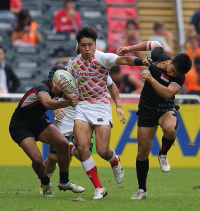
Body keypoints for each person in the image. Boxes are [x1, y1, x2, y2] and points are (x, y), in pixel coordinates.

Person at [67, 26, 152, 200]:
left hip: (101, 106)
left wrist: (142, 62)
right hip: (82, 107)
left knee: (103, 150)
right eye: (83, 45)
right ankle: (99, 187)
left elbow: (124, 61)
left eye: (90, 44)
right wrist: (67, 97)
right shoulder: (72, 63)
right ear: (79, 45)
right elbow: (68, 85)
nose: (87, 48)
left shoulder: (103, 58)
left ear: (95, 44)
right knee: (82, 150)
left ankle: (114, 160)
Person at [117, 40, 192, 199]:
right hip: (146, 109)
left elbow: (167, 94)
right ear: (170, 61)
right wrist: (129, 48)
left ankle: (163, 154)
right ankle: (142, 190)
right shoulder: (159, 55)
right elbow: (152, 43)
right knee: (143, 151)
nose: (173, 74)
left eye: (176, 74)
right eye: (172, 70)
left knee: (171, 129)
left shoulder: (179, 78)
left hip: (165, 108)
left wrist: (151, 79)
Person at [9, 65, 85, 197]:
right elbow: (48, 104)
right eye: (60, 82)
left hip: (38, 121)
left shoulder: (61, 90)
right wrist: (68, 103)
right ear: (52, 80)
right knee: (38, 159)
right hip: (20, 126)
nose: (63, 85)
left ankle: (64, 181)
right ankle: (45, 183)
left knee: (62, 144)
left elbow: (74, 98)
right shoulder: (42, 88)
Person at [41, 75, 125, 193]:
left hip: (83, 115)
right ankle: (45, 184)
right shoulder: (66, 71)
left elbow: (111, 85)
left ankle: (70, 149)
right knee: (53, 156)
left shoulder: (98, 67)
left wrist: (118, 105)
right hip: (65, 114)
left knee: (84, 154)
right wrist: (55, 105)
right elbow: (52, 90)